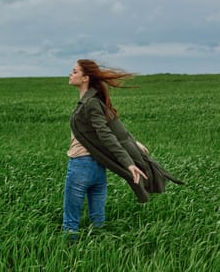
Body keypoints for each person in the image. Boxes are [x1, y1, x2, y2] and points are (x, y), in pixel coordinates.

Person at [63, 59, 183, 237]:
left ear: (85, 78)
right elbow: (117, 128)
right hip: (98, 168)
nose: (70, 74)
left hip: (81, 166)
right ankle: (100, 252)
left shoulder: (91, 104)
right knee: (98, 221)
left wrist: (128, 162)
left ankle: (69, 257)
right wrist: (133, 144)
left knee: (70, 222)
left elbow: (106, 134)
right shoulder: (96, 101)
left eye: (74, 71)